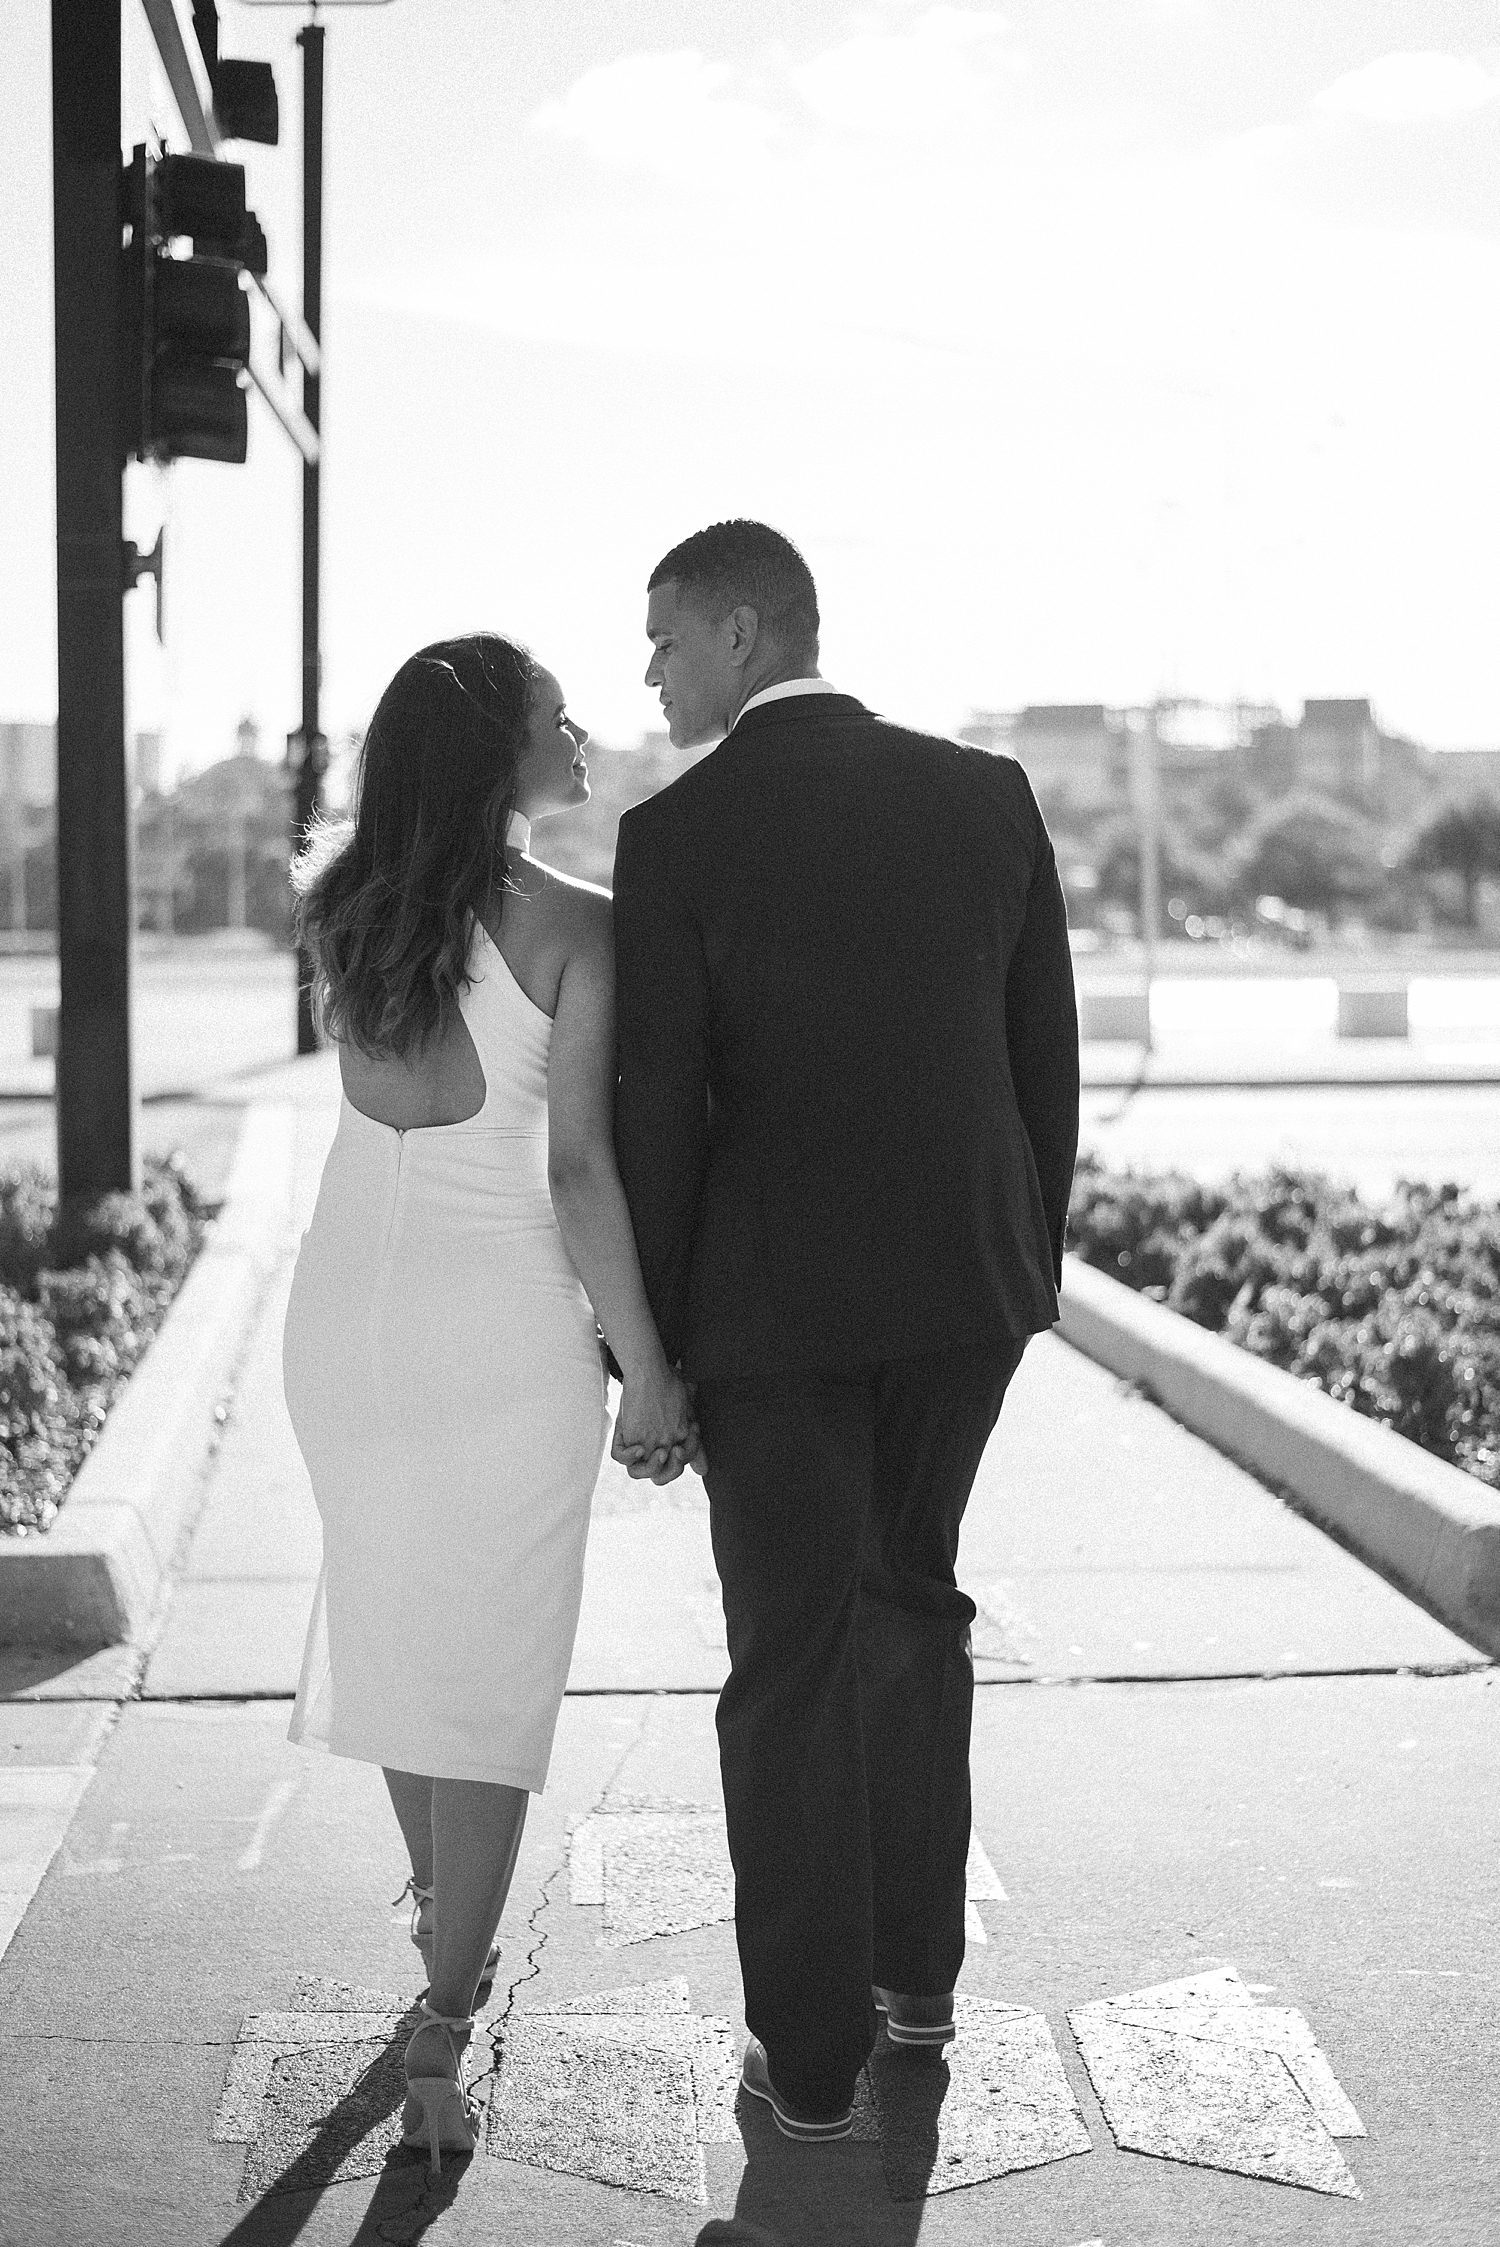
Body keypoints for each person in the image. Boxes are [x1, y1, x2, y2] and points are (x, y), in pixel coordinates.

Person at [611, 521, 1079, 2140]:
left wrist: (649, 1358)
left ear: (744, 633)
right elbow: (1044, 1071)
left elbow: (658, 1113)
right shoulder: (986, 797)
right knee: (912, 1606)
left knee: (788, 1660)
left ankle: (806, 2062)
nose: (650, 671)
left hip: (772, 1319)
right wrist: (1025, 1268)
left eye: (664, 638)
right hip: (966, 1295)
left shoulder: (675, 837)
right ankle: (917, 1985)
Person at [282, 633, 699, 2174]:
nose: (584, 732)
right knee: (498, 1676)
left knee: (401, 1639)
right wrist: (649, 1367)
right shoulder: (580, 925)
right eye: (555, 719)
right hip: (499, 1323)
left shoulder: (345, 905)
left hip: (344, 1317)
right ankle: (444, 2027)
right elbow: (579, 1170)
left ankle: (437, 1933)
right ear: (498, 756)